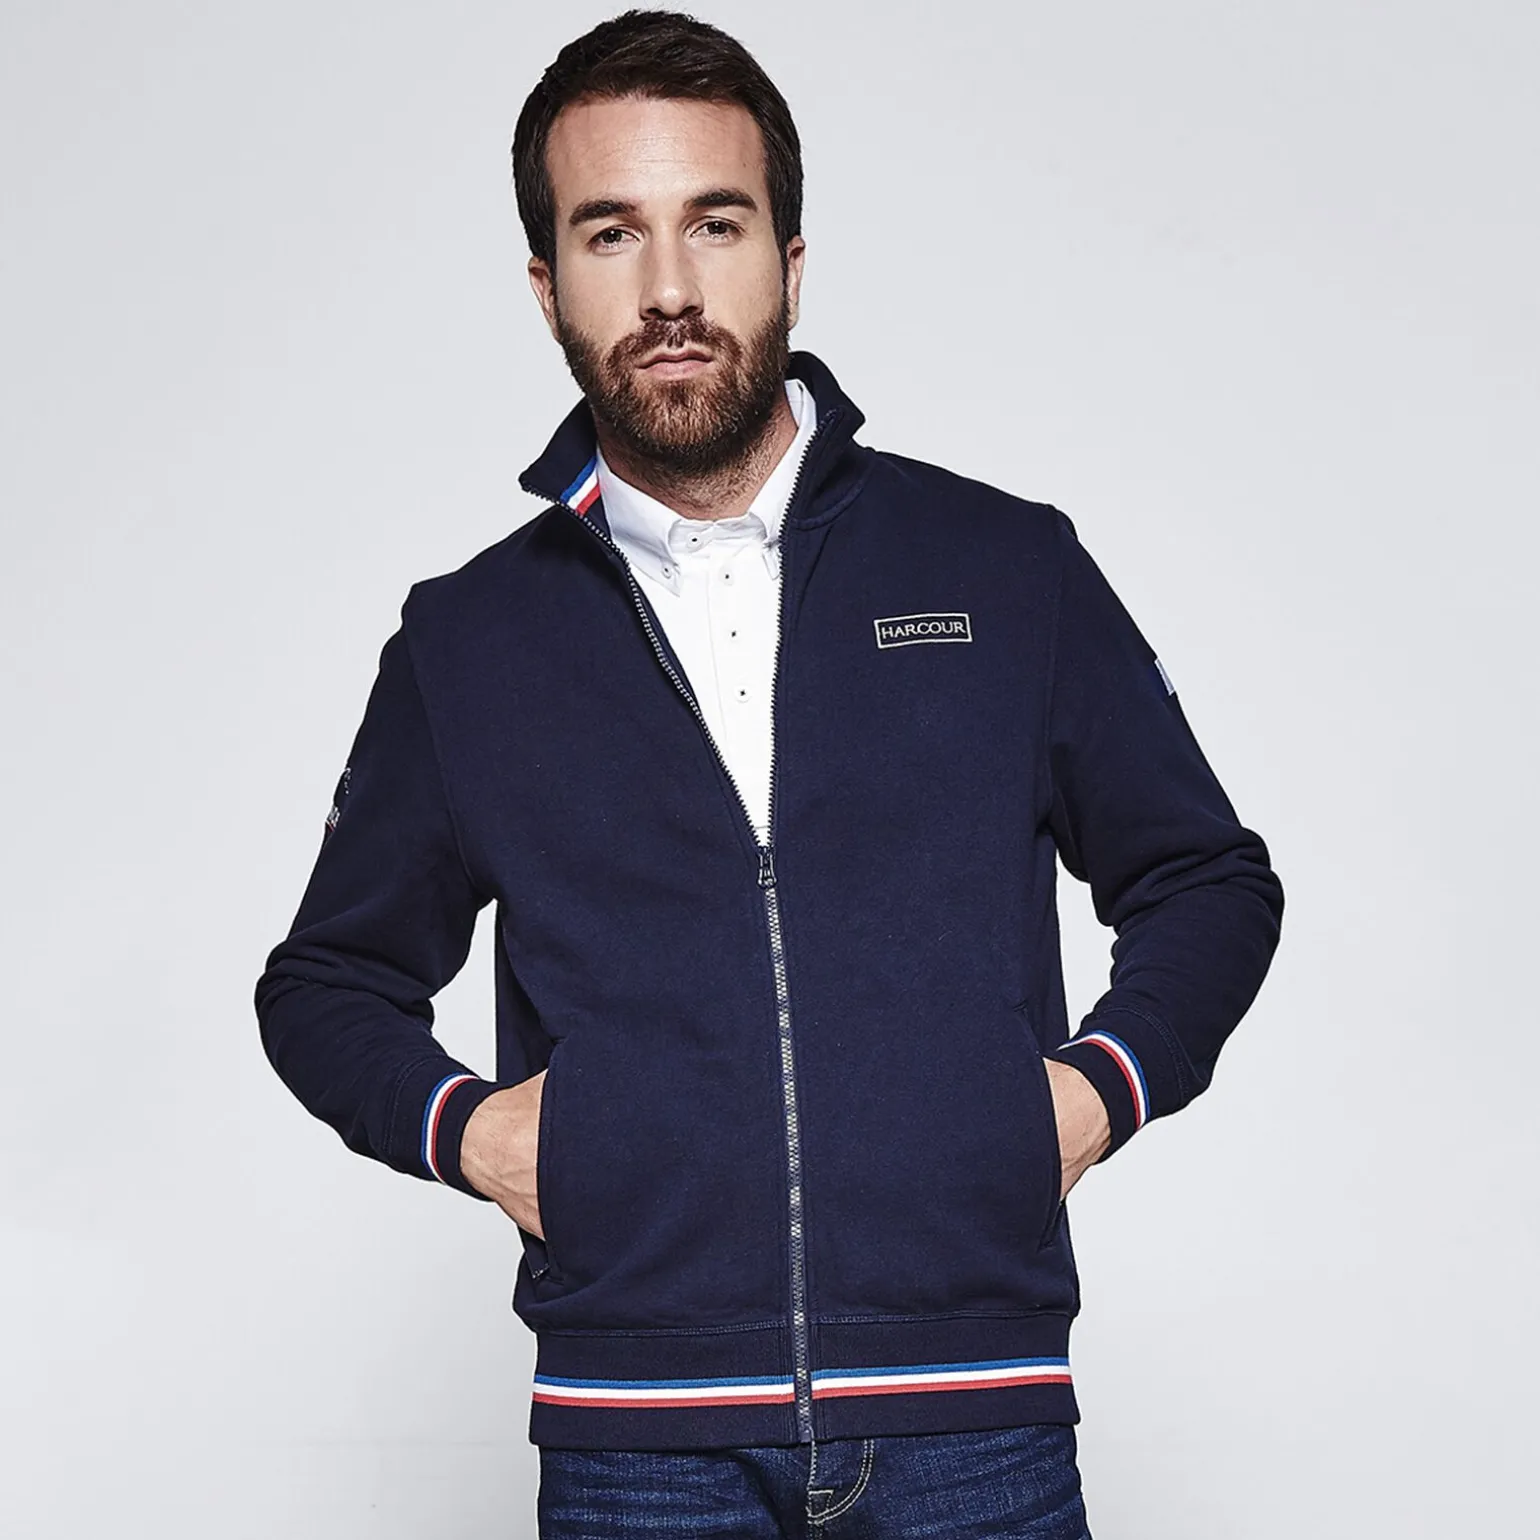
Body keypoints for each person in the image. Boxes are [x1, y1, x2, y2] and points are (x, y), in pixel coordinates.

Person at [254, 9, 1286, 1536]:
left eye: (716, 223)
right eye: (612, 232)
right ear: (547, 285)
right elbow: (326, 982)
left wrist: (1083, 1098)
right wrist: (475, 1132)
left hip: (974, 1427)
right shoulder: (468, 642)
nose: (669, 286)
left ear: (790, 263)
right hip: (638, 1452)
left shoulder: (1003, 567)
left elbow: (1204, 878)